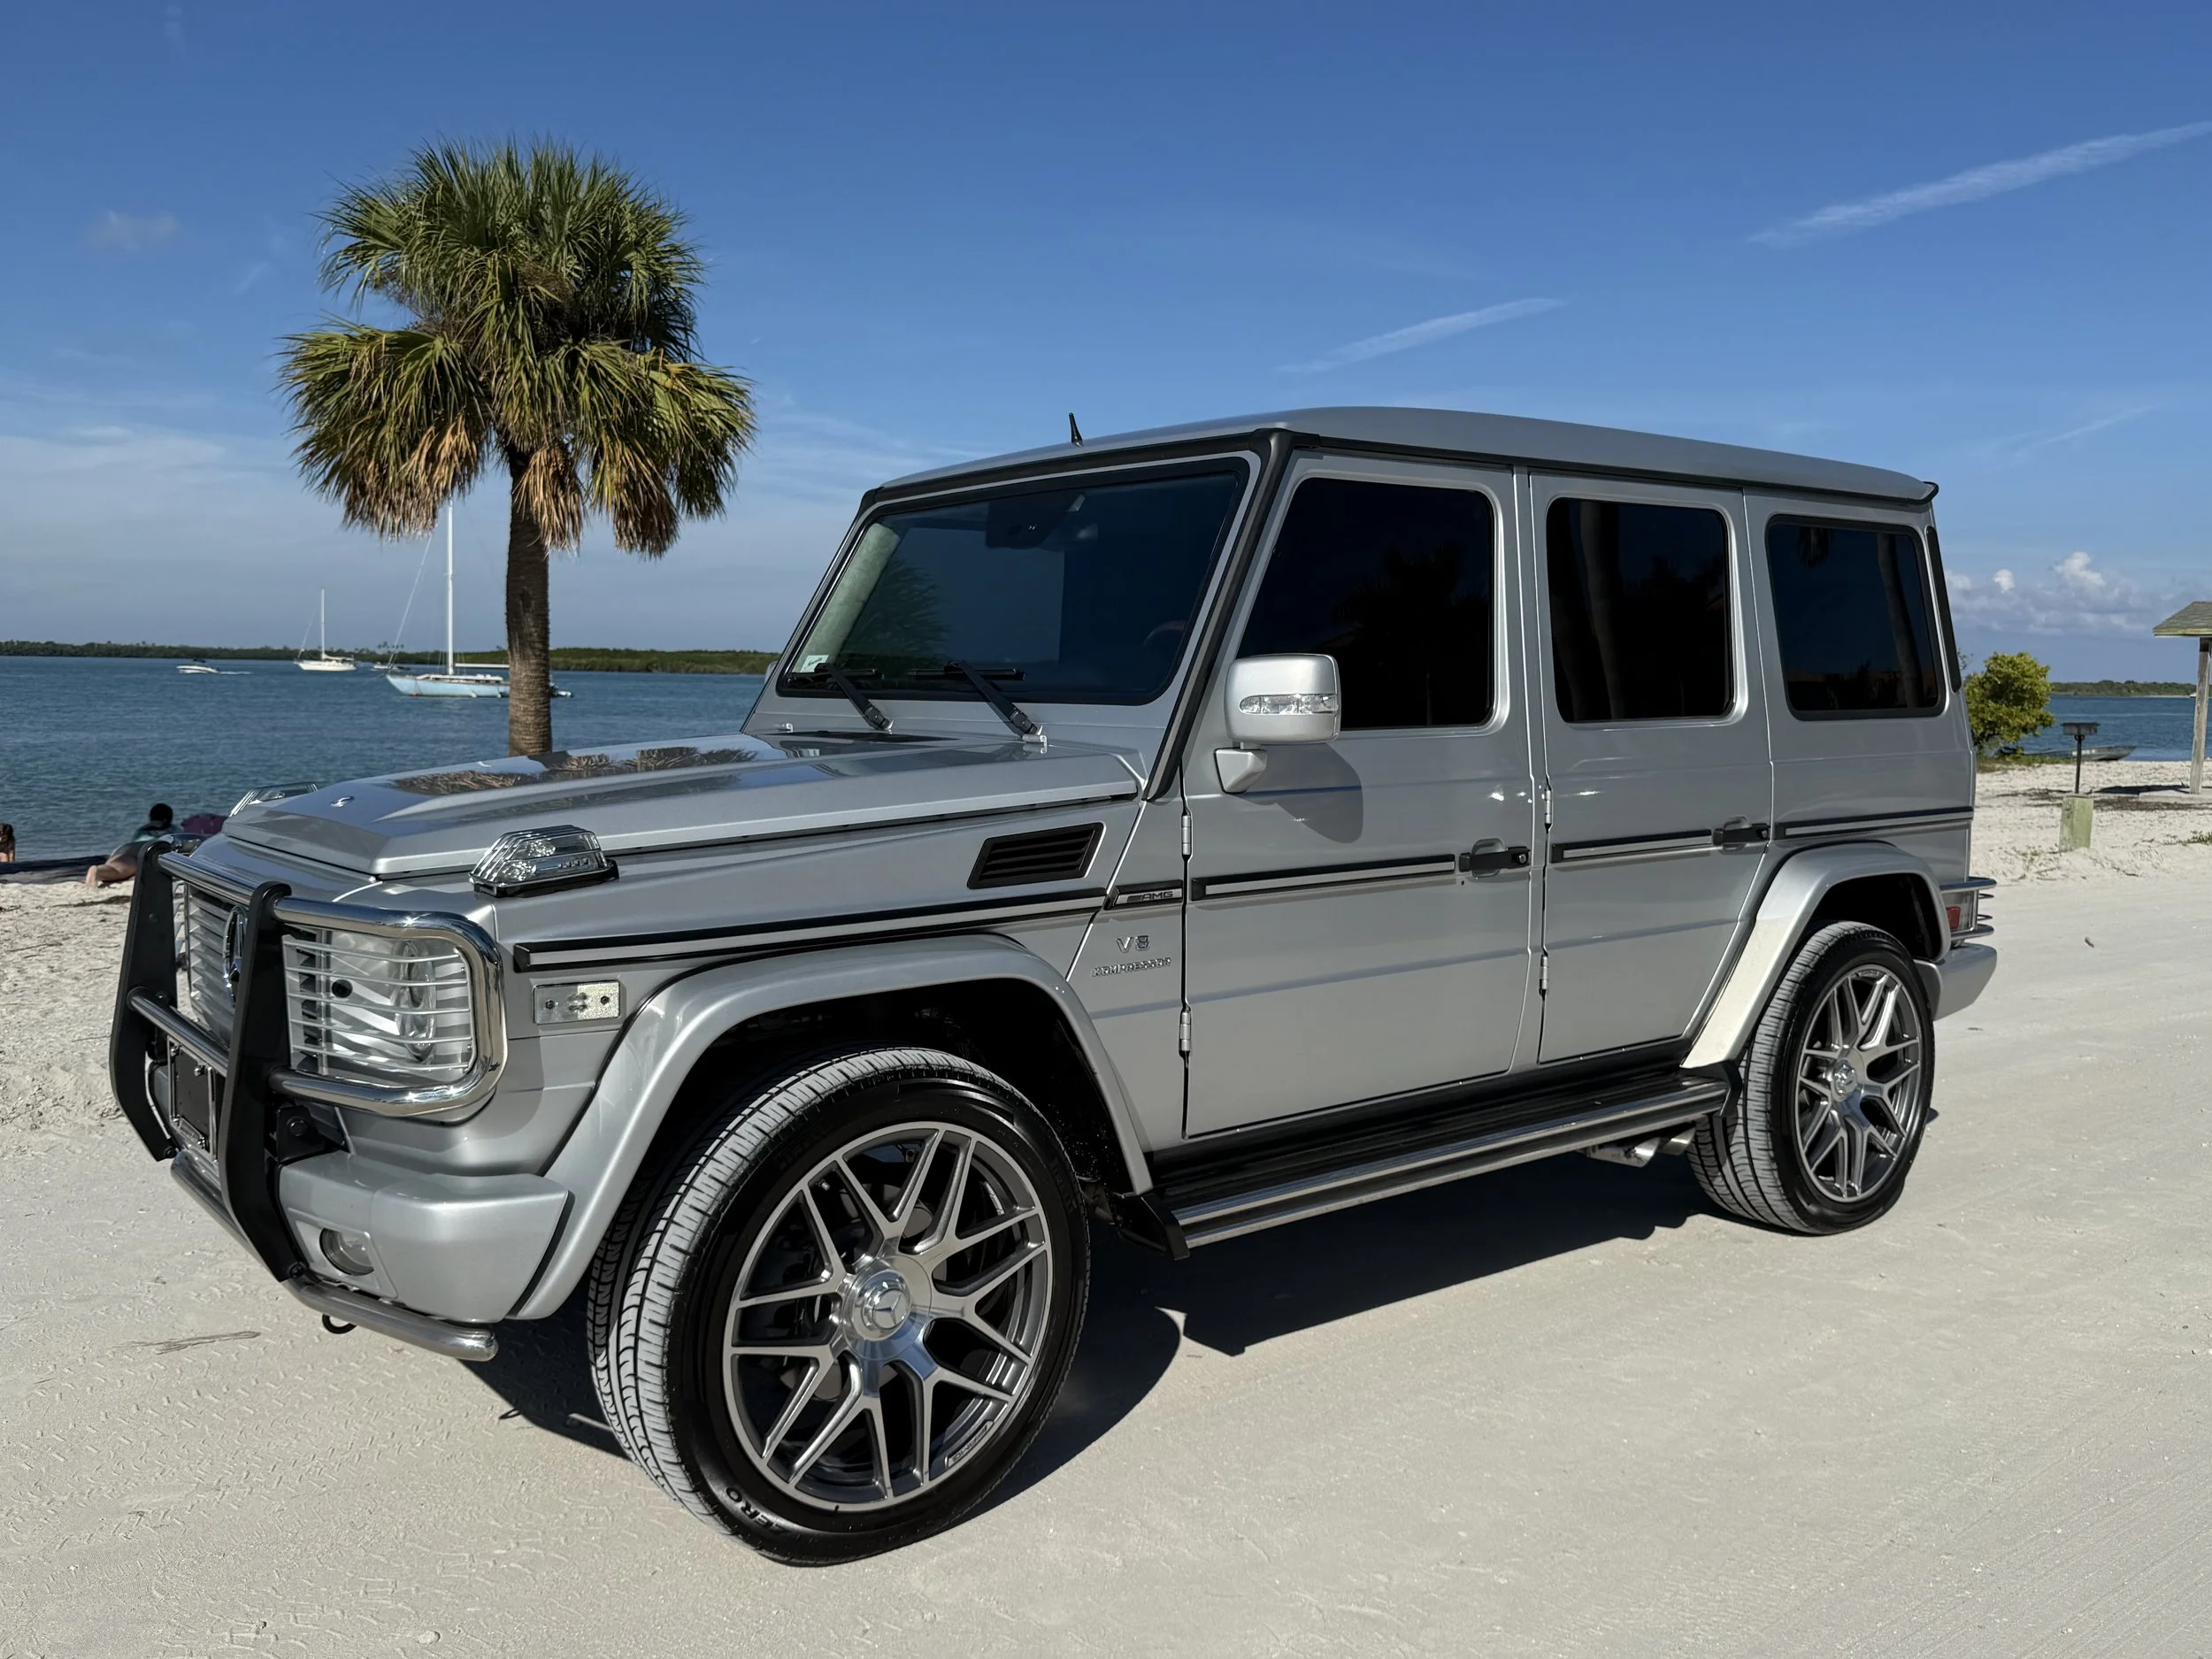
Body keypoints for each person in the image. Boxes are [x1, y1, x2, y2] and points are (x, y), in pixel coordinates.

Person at [85, 803, 174, 887]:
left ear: (151, 817)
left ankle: (99, 870)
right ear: (168, 818)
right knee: (120, 872)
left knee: (115, 869)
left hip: (126, 848)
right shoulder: (173, 828)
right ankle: (97, 871)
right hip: (148, 848)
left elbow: (134, 840)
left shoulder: (142, 829)